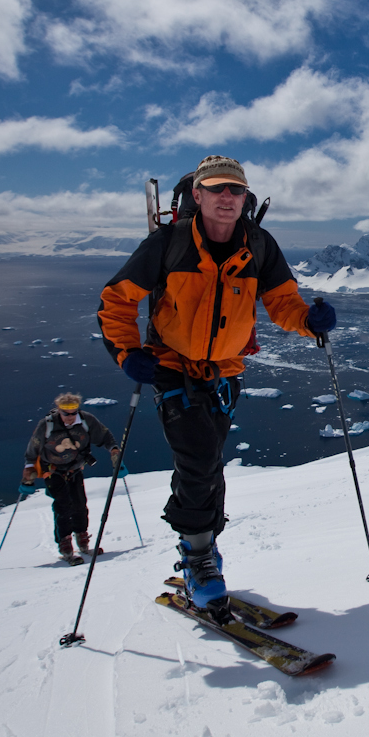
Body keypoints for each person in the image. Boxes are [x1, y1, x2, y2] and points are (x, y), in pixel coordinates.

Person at [97, 155, 337, 622]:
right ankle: (201, 560)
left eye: (236, 190)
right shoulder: (169, 244)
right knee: (199, 461)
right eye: (218, 189)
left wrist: (309, 321)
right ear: (199, 196)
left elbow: (282, 302)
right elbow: (117, 300)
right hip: (171, 367)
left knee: (207, 465)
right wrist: (128, 354)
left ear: (245, 199)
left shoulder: (259, 245)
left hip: (226, 371)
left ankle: (201, 548)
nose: (228, 197)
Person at [23, 392, 120, 563]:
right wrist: (29, 469)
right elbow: (34, 447)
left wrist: (113, 450)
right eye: (65, 412)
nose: (69, 416)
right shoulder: (47, 425)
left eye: (73, 412)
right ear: (59, 411)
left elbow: (104, 436)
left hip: (75, 469)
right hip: (52, 471)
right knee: (63, 505)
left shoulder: (86, 421)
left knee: (80, 504)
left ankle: (82, 540)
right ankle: (65, 543)